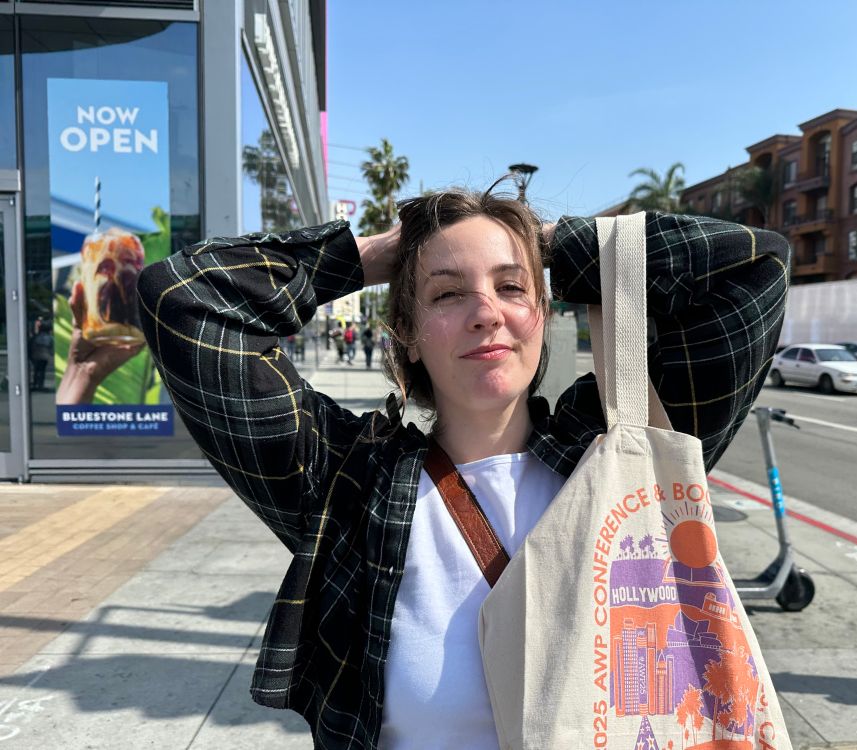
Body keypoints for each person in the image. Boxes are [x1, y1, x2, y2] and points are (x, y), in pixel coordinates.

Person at [135, 182, 789, 749]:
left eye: (512, 286)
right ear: (409, 334)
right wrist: (380, 253)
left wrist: (553, 242)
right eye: (447, 294)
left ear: (542, 312)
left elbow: (753, 270)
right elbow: (184, 302)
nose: (485, 313)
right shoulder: (347, 482)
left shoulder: (624, 456)